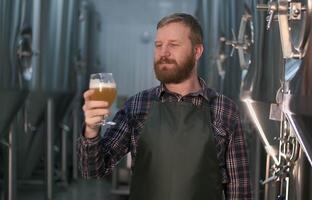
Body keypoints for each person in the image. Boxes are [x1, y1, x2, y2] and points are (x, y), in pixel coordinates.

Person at [78, 13, 252, 200]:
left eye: (173, 44)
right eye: (158, 45)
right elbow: (93, 170)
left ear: (197, 51)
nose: (163, 52)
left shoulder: (225, 110)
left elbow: (239, 191)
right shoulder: (137, 106)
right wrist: (91, 130)